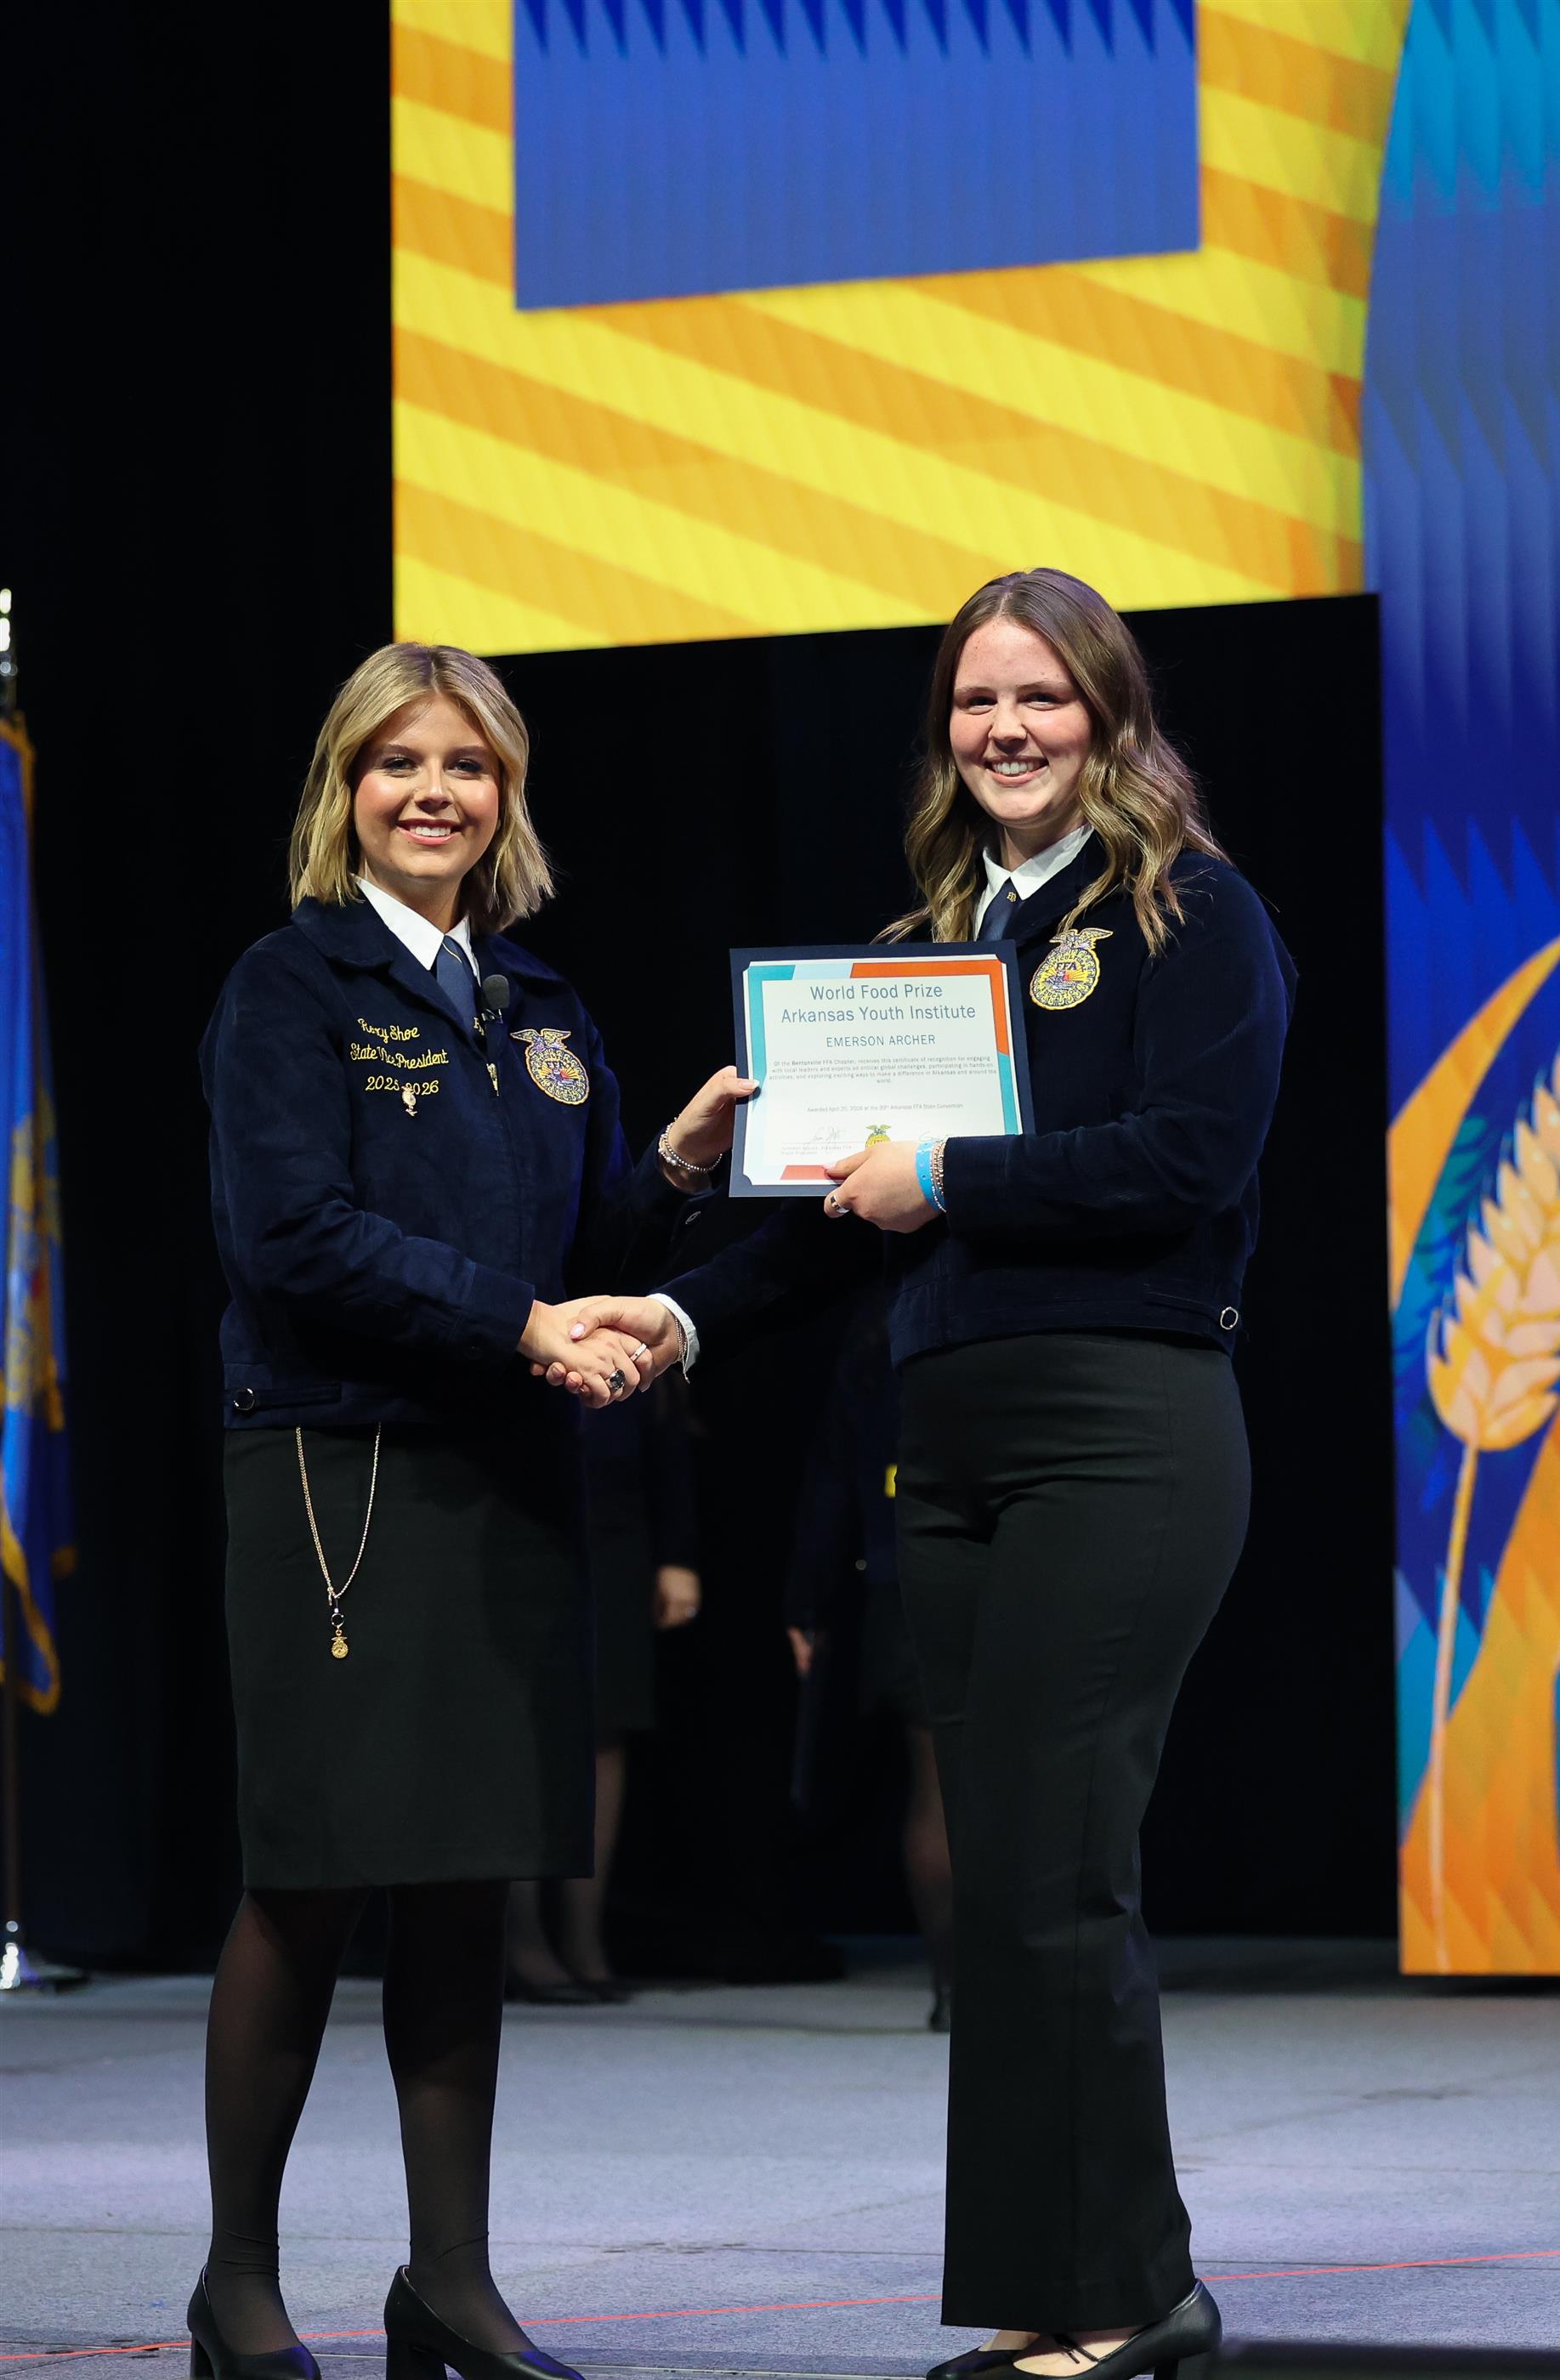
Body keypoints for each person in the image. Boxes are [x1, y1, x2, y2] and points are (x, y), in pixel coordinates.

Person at [553, 570, 1296, 2380]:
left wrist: (949, 1173)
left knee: (1059, 1870)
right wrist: (677, 1308)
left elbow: (1188, 1157)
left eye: (1042, 695)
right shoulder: (928, 948)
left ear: (1110, 714)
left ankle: (1132, 2295)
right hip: (945, 1448)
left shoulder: (1193, 913)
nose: (1007, 728)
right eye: (977, 700)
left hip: (1120, 1428)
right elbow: (838, 1227)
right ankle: (1054, 2289)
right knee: (991, 1884)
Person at [192, 642, 748, 2380]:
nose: (434, 791)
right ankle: (237, 2286)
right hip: (338, 1475)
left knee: (460, 1888)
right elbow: (292, 1238)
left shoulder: (542, 1007)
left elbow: (582, 1260)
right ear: (345, 786)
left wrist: (670, 1170)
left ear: (506, 795)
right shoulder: (290, 986)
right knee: (311, 1880)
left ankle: (449, 2282)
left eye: (469, 765)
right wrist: (520, 1322)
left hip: (508, 1479)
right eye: (400, 761)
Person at [785, 1293, 952, 2031]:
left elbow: (835, 1473)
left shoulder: (880, 1321)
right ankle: (1009, 1989)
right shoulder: (1003, 1297)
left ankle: (955, 1988)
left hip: (905, 1570)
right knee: (1016, 1788)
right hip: (1003, 1565)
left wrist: (808, 1602)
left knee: (939, 1791)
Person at [507, 1378, 702, 2001]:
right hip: (514, 1521)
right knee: (516, 1730)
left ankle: (585, 1938)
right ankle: (520, 1941)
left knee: (605, 1729)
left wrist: (677, 1554)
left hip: (613, 1527)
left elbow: (665, 1432)